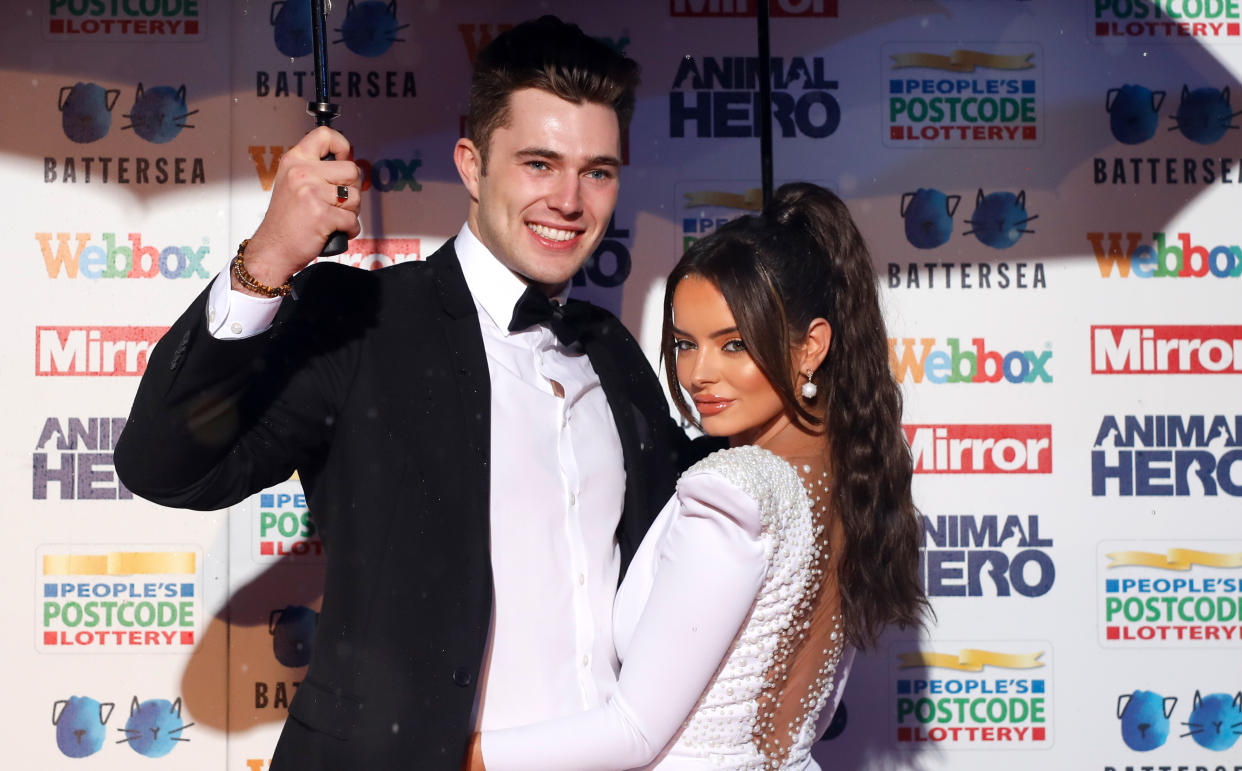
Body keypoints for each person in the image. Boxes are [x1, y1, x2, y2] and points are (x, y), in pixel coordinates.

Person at [114, 16, 706, 770]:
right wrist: (267, 258)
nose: (569, 199)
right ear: (471, 164)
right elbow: (163, 464)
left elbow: (687, 552)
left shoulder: (612, 351)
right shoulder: (363, 323)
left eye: (597, 171)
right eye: (537, 163)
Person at [467, 182, 928, 770]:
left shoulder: (736, 491)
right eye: (685, 344)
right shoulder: (856, 481)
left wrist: (466, 757)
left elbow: (632, 732)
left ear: (811, 346)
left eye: (733, 344)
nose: (698, 374)